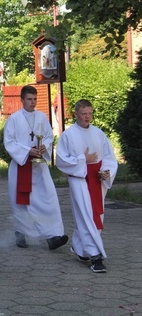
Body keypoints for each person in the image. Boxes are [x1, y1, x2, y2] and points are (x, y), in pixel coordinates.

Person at [56, 99, 118, 273]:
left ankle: (79, 247)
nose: (87, 117)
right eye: (84, 114)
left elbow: (108, 156)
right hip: (79, 180)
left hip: (97, 180)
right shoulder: (68, 135)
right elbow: (61, 161)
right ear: (76, 114)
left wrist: (106, 171)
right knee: (86, 216)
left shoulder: (98, 133)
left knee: (94, 215)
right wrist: (83, 160)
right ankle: (95, 255)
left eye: (90, 113)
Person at [4, 85, 68, 250]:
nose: (33, 103)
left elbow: (48, 136)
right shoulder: (14, 119)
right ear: (22, 100)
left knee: (48, 200)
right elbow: (9, 142)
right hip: (21, 166)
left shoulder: (41, 116)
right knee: (21, 203)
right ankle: (20, 233)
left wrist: (43, 147)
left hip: (39, 168)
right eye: (29, 99)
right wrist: (27, 150)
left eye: (34, 99)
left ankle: (53, 236)